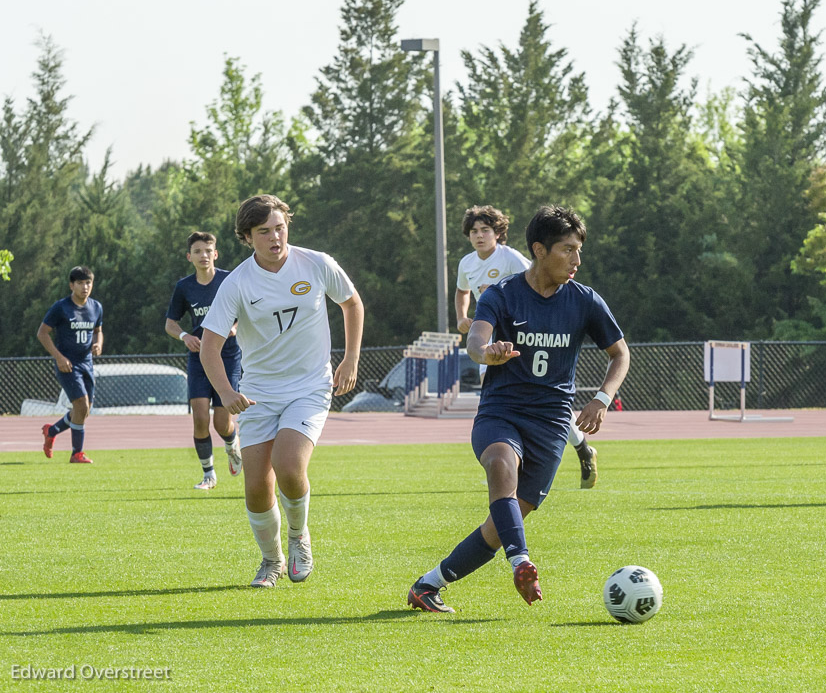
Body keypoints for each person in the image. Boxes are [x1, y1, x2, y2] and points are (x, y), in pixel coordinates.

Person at [408, 204, 630, 613]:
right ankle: (522, 561)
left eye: (579, 250)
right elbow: (476, 339)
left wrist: (600, 399)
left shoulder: (584, 301)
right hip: (502, 411)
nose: (577, 260)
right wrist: (486, 353)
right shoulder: (503, 294)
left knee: (499, 527)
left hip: (550, 425)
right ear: (539, 250)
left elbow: (620, 355)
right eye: (567, 250)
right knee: (499, 464)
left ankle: (428, 585)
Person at [200, 195, 364, 588]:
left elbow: (352, 303)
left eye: (280, 227)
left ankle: (299, 537)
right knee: (257, 488)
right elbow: (209, 346)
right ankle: (270, 561)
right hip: (258, 392)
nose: (275, 237)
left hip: (309, 386)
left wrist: (351, 359)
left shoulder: (317, 263)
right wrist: (225, 392)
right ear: (247, 237)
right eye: (264, 231)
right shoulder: (236, 283)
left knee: (289, 466)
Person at [456, 205, 600, 489]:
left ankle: (578, 447)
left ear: (498, 233)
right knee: (495, 393)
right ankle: (505, 460)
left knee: (543, 397)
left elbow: (539, 283)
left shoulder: (511, 259)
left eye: (486, 230)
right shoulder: (467, 263)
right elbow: (462, 290)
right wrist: (462, 317)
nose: (479, 236)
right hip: (491, 336)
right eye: (474, 231)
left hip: (526, 336)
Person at [165, 231, 244, 490]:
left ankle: (232, 445)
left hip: (228, 356)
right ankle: (209, 475)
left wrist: (235, 325)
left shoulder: (229, 280)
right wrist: (185, 336)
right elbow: (170, 324)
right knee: (200, 417)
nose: (203, 256)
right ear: (190, 257)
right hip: (199, 358)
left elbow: (248, 308)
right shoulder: (184, 287)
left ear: (216, 254)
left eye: (208, 251)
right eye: (197, 251)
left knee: (222, 423)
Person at [37, 266, 103, 464]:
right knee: (81, 405)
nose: (85, 287)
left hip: (87, 363)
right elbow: (42, 333)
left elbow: (98, 330)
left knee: (84, 410)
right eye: (81, 283)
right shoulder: (61, 307)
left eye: (88, 283)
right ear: (71, 285)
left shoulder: (96, 307)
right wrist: (58, 357)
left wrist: (98, 342)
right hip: (67, 363)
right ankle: (77, 453)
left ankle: (52, 430)